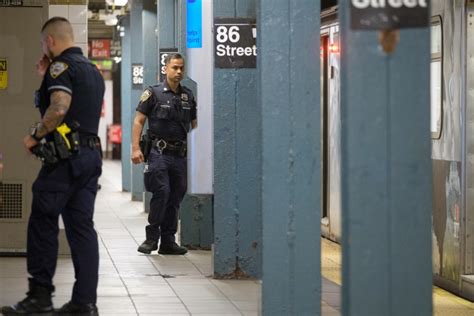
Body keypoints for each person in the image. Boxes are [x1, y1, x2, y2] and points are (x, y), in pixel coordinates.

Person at [1, 17, 104, 316]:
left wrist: (34, 136)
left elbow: (59, 107)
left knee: (43, 220)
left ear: (49, 42)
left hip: (65, 159)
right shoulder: (93, 71)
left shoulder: (61, 67)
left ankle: (40, 296)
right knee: (82, 227)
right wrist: (44, 78)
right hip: (90, 156)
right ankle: (85, 302)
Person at [132, 53, 197, 255]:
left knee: (176, 194)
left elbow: (194, 126)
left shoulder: (188, 96)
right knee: (162, 191)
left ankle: (168, 241)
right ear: (165, 69)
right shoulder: (153, 93)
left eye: (181, 68)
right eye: (174, 68)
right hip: (158, 152)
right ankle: (151, 239)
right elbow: (138, 121)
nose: (178, 72)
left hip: (180, 155)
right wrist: (135, 148)